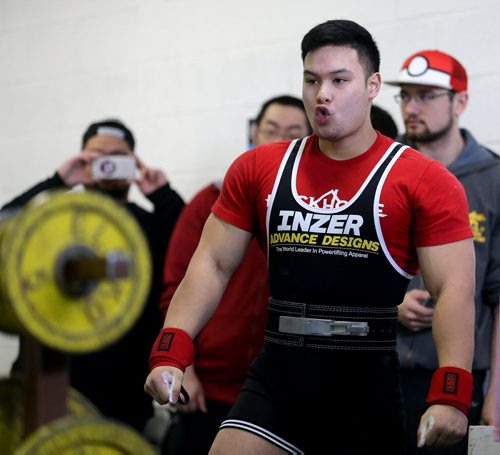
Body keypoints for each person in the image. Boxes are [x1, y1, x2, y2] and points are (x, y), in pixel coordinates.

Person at [145, 19, 476, 454]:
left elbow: (453, 287)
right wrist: (171, 349)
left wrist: (451, 389)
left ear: (373, 85)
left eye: (340, 80)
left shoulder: (424, 180)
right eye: (312, 79)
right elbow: (212, 262)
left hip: (365, 385)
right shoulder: (258, 168)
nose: (323, 93)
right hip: (278, 373)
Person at [2, 119, 185, 434]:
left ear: (133, 162)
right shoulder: (53, 220)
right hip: (46, 383)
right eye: (96, 155)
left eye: (117, 156)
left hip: (123, 393)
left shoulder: (153, 226)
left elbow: (194, 246)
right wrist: (57, 181)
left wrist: (162, 194)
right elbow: (5, 231)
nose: (107, 163)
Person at [160, 95, 311, 454]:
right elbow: (176, 287)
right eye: (271, 130)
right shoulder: (210, 200)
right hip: (205, 389)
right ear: (254, 132)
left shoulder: (320, 211)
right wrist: (184, 366)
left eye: (293, 133)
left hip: (278, 389)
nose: (278, 141)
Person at [385, 49, 500, 454]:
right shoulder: (381, 169)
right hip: (380, 374)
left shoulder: (493, 179)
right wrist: (390, 302)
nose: (411, 107)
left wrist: (496, 398)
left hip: (463, 383)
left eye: (426, 95)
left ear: (460, 101)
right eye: (404, 96)